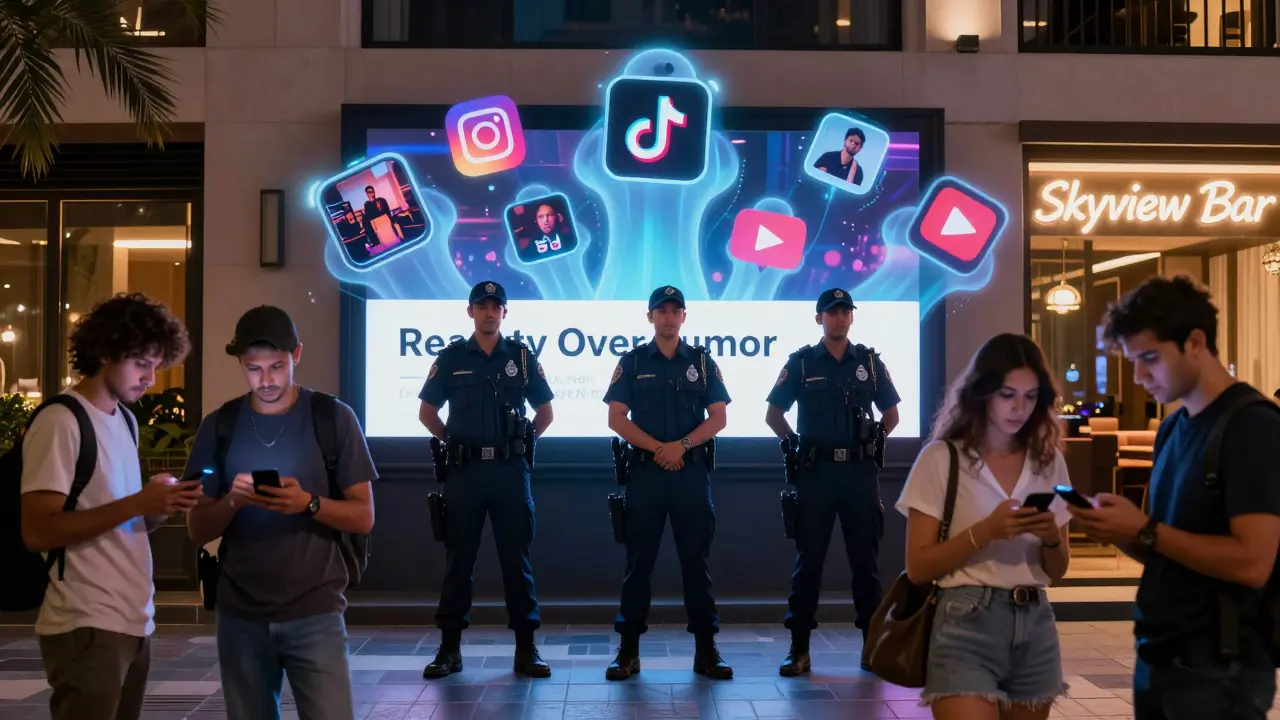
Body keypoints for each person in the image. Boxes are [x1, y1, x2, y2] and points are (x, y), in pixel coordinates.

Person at [1069, 275, 1280, 720]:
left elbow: (1253, 563)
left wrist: (1143, 529)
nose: (1139, 376)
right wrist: (1121, 531)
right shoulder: (1173, 426)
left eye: (1150, 358)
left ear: (1196, 342)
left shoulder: (1253, 425)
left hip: (1221, 665)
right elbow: (1168, 548)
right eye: (1132, 361)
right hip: (1160, 653)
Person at [185, 306, 377, 720]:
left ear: (297, 355)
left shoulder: (333, 418)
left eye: (277, 366)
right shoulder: (219, 426)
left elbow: (363, 516)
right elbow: (198, 529)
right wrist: (232, 502)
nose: (266, 380)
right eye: (253, 368)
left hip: (317, 611)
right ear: (240, 363)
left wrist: (307, 504)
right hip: (240, 615)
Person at [20, 292, 198, 720]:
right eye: (140, 363)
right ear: (103, 352)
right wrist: (139, 500)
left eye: (157, 365)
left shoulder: (125, 419)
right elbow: (39, 531)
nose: (150, 379)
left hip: (133, 617)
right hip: (85, 621)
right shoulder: (61, 421)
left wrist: (156, 507)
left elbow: (116, 516)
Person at [898, 333, 1071, 720]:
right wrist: (986, 531)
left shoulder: (1048, 462)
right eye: (1007, 394)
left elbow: (1057, 570)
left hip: (1036, 621)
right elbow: (919, 567)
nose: (1019, 408)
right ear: (983, 393)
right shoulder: (942, 458)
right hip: (965, 622)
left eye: (1030, 396)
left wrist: (1049, 539)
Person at [418, 281, 555, 679]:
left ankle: (526, 650)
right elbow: (427, 412)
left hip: (510, 473)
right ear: (470, 312)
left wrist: (521, 442)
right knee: (458, 560)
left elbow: (545, 413)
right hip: (465, 473)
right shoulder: (451, 358)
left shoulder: (523, 358)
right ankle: (449, 650)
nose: (489, 312)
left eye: (496, 306)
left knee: (517, 560)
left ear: (505, 313)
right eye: (482, 306)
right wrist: (454, 445)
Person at [764, 288, 901, 675]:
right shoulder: (803, 363)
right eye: (832, 312)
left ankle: (871, 647)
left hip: (859, 474)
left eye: (845, 312)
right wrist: (794, 446)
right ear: (818, 318)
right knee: (808, 563)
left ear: (852, 317)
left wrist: (875, 437)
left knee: (865, 564)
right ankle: (799, 649)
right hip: (816, 474)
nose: (839, 318)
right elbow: (774, 414)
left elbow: (891, 413)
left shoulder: (870, 363)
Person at [602, 285, 733, 681]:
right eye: (661, 310)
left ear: (684, 317)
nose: (669, 316)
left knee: (696, 563)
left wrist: (683, 446)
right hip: (646, 475)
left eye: (675, 310)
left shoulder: (703, 363)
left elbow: (719, 417)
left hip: (690, 474)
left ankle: (707, 651)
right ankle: (628, 651)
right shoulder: (632, 361)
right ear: (650, 317)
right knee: (638, 565)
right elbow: (617, 418)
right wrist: (662, 449)